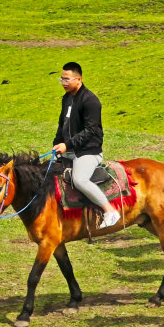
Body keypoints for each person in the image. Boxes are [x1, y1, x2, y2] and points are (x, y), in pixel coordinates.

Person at [52, 62, 120, 229]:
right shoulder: (66, 98)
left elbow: (91, 130)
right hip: (69, 150)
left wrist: (67, 145)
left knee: (80, 180)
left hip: (88, 152)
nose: (63, 83)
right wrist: (56, 144)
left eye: (67, 79)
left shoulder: (90, 101)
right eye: (62, 79)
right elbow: (62, 125)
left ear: (79, 79)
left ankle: (110, 211)